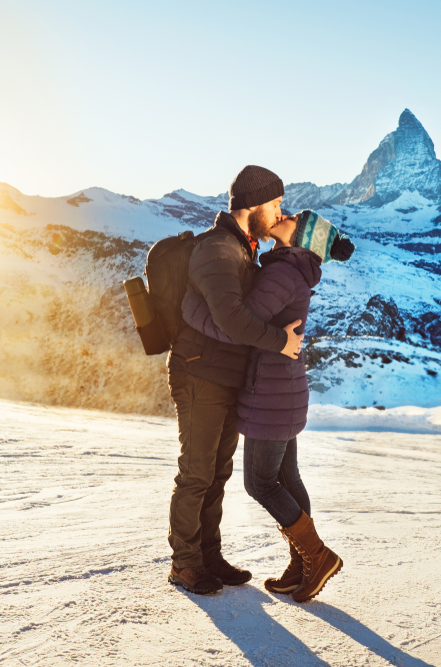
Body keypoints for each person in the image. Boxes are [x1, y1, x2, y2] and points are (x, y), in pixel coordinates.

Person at [183, 209, 355, 602]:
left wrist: (193, 315)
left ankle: (317, 555)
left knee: (259, 482)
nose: (287, 213)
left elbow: (239, 324)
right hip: (285, 391)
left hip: (271, 395)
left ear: (301, 238)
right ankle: (302, 564)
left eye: (296, 218)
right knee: (289, 479)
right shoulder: (294, 268)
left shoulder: (283, 272)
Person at [167, 166, 305, 595]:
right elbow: (231, 318)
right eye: (276, 204)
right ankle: (185, 564)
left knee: (218, 473)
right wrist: (279, 343)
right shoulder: (218, 250)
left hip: (225, 377)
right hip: (199, 373)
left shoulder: (242, 248)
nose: (281, 212)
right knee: (196, 474)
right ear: (253, 205)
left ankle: (209, 555)